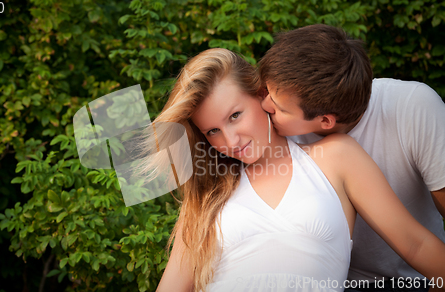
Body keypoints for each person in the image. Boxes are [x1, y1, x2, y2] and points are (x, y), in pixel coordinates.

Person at [153, 48, 445, 292]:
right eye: (213, 130)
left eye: (235, 116)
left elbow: (416, 245)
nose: (231, 141)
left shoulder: (336, 156)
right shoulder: (208, 194)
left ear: (261, 94)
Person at [259, 24, 445, 291]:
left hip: (418, 279)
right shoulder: (272, 130)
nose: (264, 106)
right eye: (267, 92)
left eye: (277, 108)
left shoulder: (412, 107)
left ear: (325, 121)